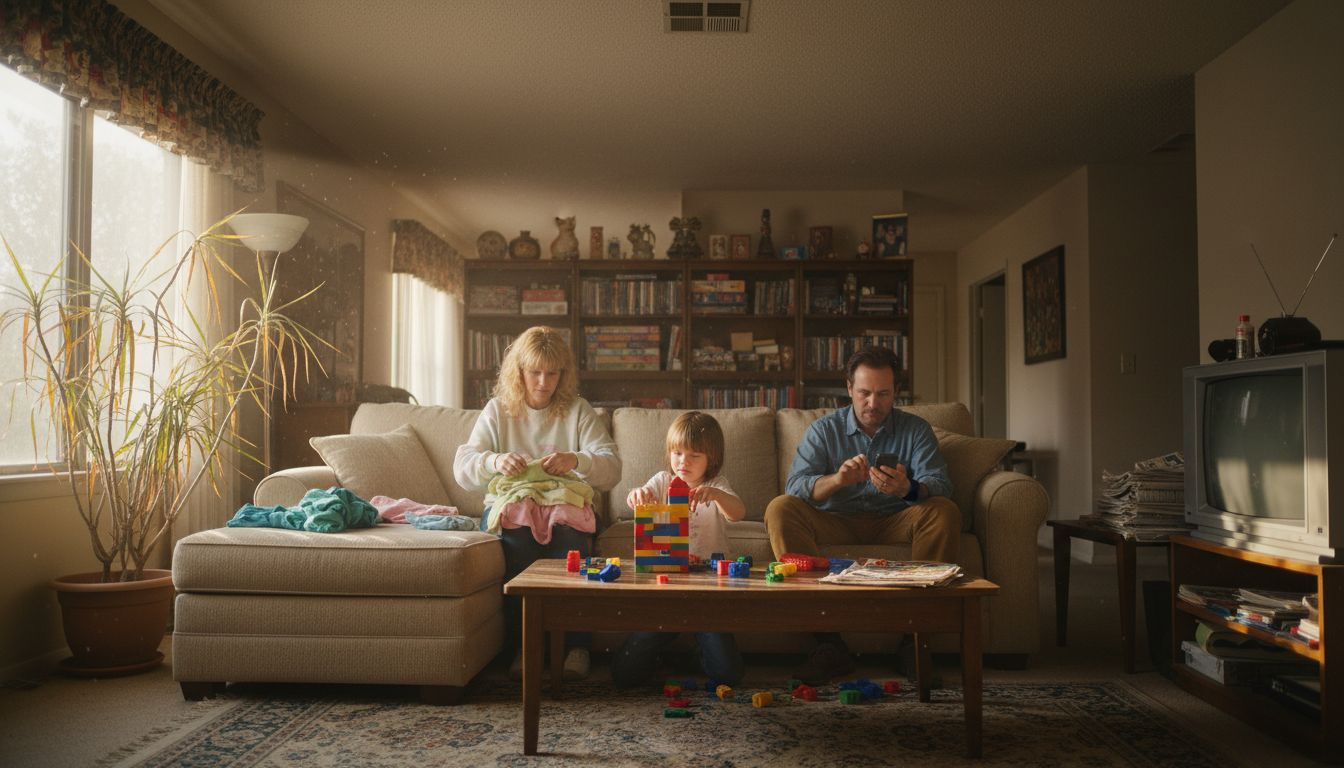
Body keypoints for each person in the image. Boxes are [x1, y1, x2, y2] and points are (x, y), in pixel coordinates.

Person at [764, 346, 958, 684]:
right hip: (834, 522)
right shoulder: (824, 430)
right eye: (865, 393)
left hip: (896, 520)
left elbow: (939, 484)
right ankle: (828, 644)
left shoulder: (916, 430)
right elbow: (795, 486)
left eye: (883, 394)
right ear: (850, 389)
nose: (873, 403)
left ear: (896, 391)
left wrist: (907, 489)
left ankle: (914, 642)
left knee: (944, 511)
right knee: (779, 508)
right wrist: (837, 480)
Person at [453, 326, 621, 680]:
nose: (544, 382)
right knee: (516, 540)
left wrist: (577, 460)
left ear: (564, 374)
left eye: (553, 373)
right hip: (514, 506)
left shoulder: (577, 410)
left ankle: (574, 645)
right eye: (535, 372)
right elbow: (463, 468)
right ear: (519, 371)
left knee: (571, 544)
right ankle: (524, 645)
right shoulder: (498, 410)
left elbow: (611, 468)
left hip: (565, 504)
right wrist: (494, 462)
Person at [610, 412, 746, 688]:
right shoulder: (662, 480)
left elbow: (738, 513)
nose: (684, 462)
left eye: (695, 455)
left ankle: (695, 655)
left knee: (729, 675)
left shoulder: (716, 485)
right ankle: (668, 651)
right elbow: (636, 496)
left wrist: (718, 496)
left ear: (712, 459)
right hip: (665, 584)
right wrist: (636, 495)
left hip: (707, 588)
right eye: (678, 453)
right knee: (624, 675)